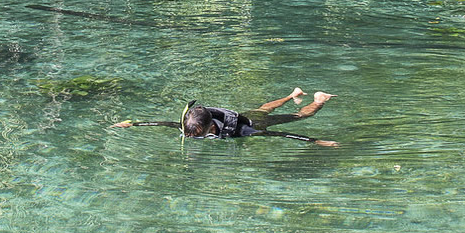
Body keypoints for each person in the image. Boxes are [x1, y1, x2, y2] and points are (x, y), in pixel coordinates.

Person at [112, 88, 338, 145]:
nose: (190, 136)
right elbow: (163, 123)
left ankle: (319, 99)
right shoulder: (190, 126)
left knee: (297, 117)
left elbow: (281, 134)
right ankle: (293, 93)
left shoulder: (242, 131)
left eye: (196, 135)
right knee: (263, 107)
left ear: (211, 128)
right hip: (248, 115)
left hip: (254, 122)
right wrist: (132, 124)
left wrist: (314, 141)